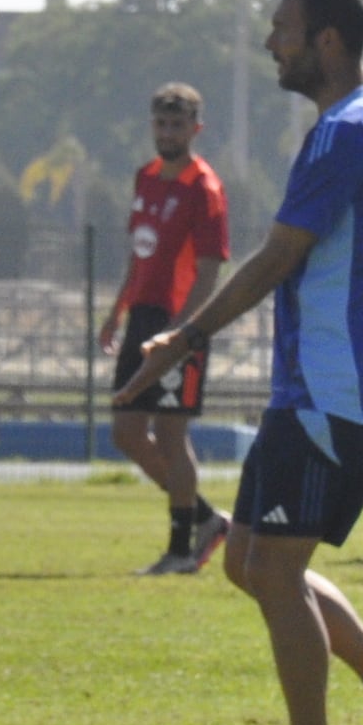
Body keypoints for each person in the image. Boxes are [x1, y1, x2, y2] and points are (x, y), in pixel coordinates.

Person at [119, 0, 363, 725]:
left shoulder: (350, 132)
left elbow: (278, 256)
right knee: (250, 562)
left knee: (274, 568)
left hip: (330, 399)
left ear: (326, 40)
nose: (270, 42)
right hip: (313, 396)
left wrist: (185, 338)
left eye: (282, 28)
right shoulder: (359, 125)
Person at [103, 82, 233, 575]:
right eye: (161, 123)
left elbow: (209, 269)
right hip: (142, 317)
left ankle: (182, 549)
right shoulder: (147, 178)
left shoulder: (204, 187)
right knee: (126, 430)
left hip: (182, 322)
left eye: (178, 124)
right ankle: (204, 518)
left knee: (171, 434)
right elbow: (138, 255)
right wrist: (117, 311)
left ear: (196, 129)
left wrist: (185, 332)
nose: (168, 131)